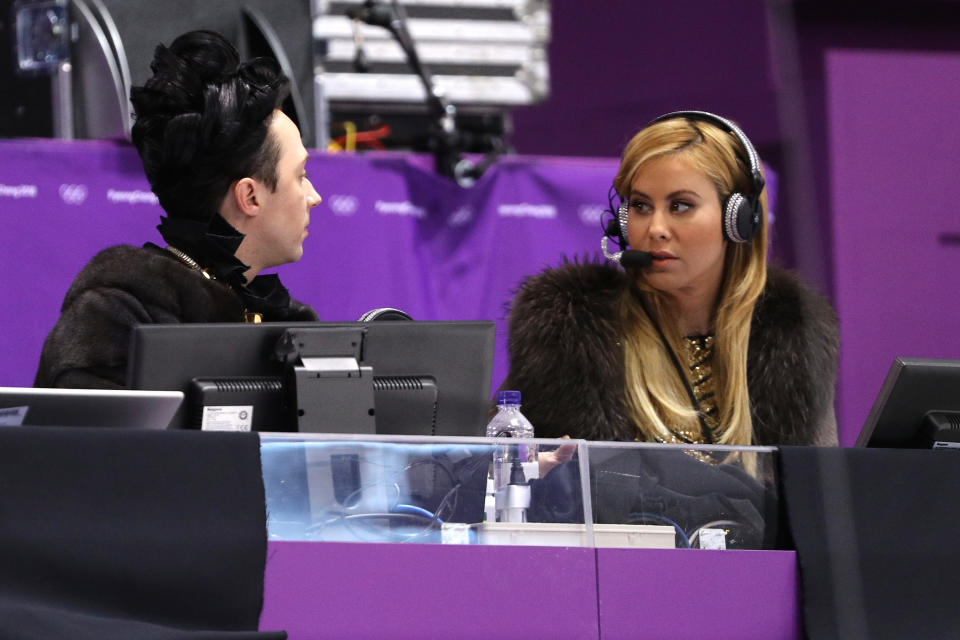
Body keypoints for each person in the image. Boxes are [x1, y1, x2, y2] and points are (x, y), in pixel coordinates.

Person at [502, 111, 839, 447]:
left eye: (680, 206)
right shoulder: (571, 338)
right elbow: (505, 477)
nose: (656, 229)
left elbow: (814, 491)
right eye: (640, 206)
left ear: (738, 219)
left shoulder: (789, 342)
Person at [34, 30, 322, 389]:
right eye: (301, 176)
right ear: (250, 197)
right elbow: (87, 441)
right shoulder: (116, 319)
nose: (314, 196)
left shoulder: (283, 324)